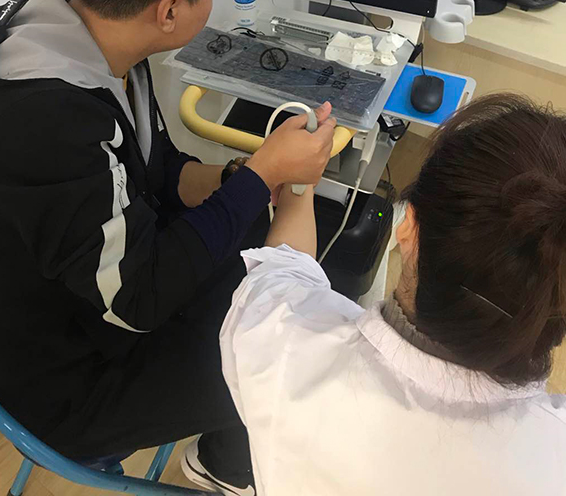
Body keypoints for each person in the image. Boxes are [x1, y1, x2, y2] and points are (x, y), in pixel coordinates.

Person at [0, 0, 336, 495]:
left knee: (254, 228)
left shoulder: (87, 36)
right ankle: (222, 465)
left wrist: (241, 179)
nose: (213, 4)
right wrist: (266, 173)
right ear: (169, 11)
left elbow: (155, 168)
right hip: (60, 379)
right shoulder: (44, 118)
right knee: (286, 358)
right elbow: (138, 301)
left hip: (89, 290)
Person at [221, 94, 566, 496]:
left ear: (408, 229)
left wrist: (300, 183)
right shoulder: (551, 459)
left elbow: (282, 270)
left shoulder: (277, 341)